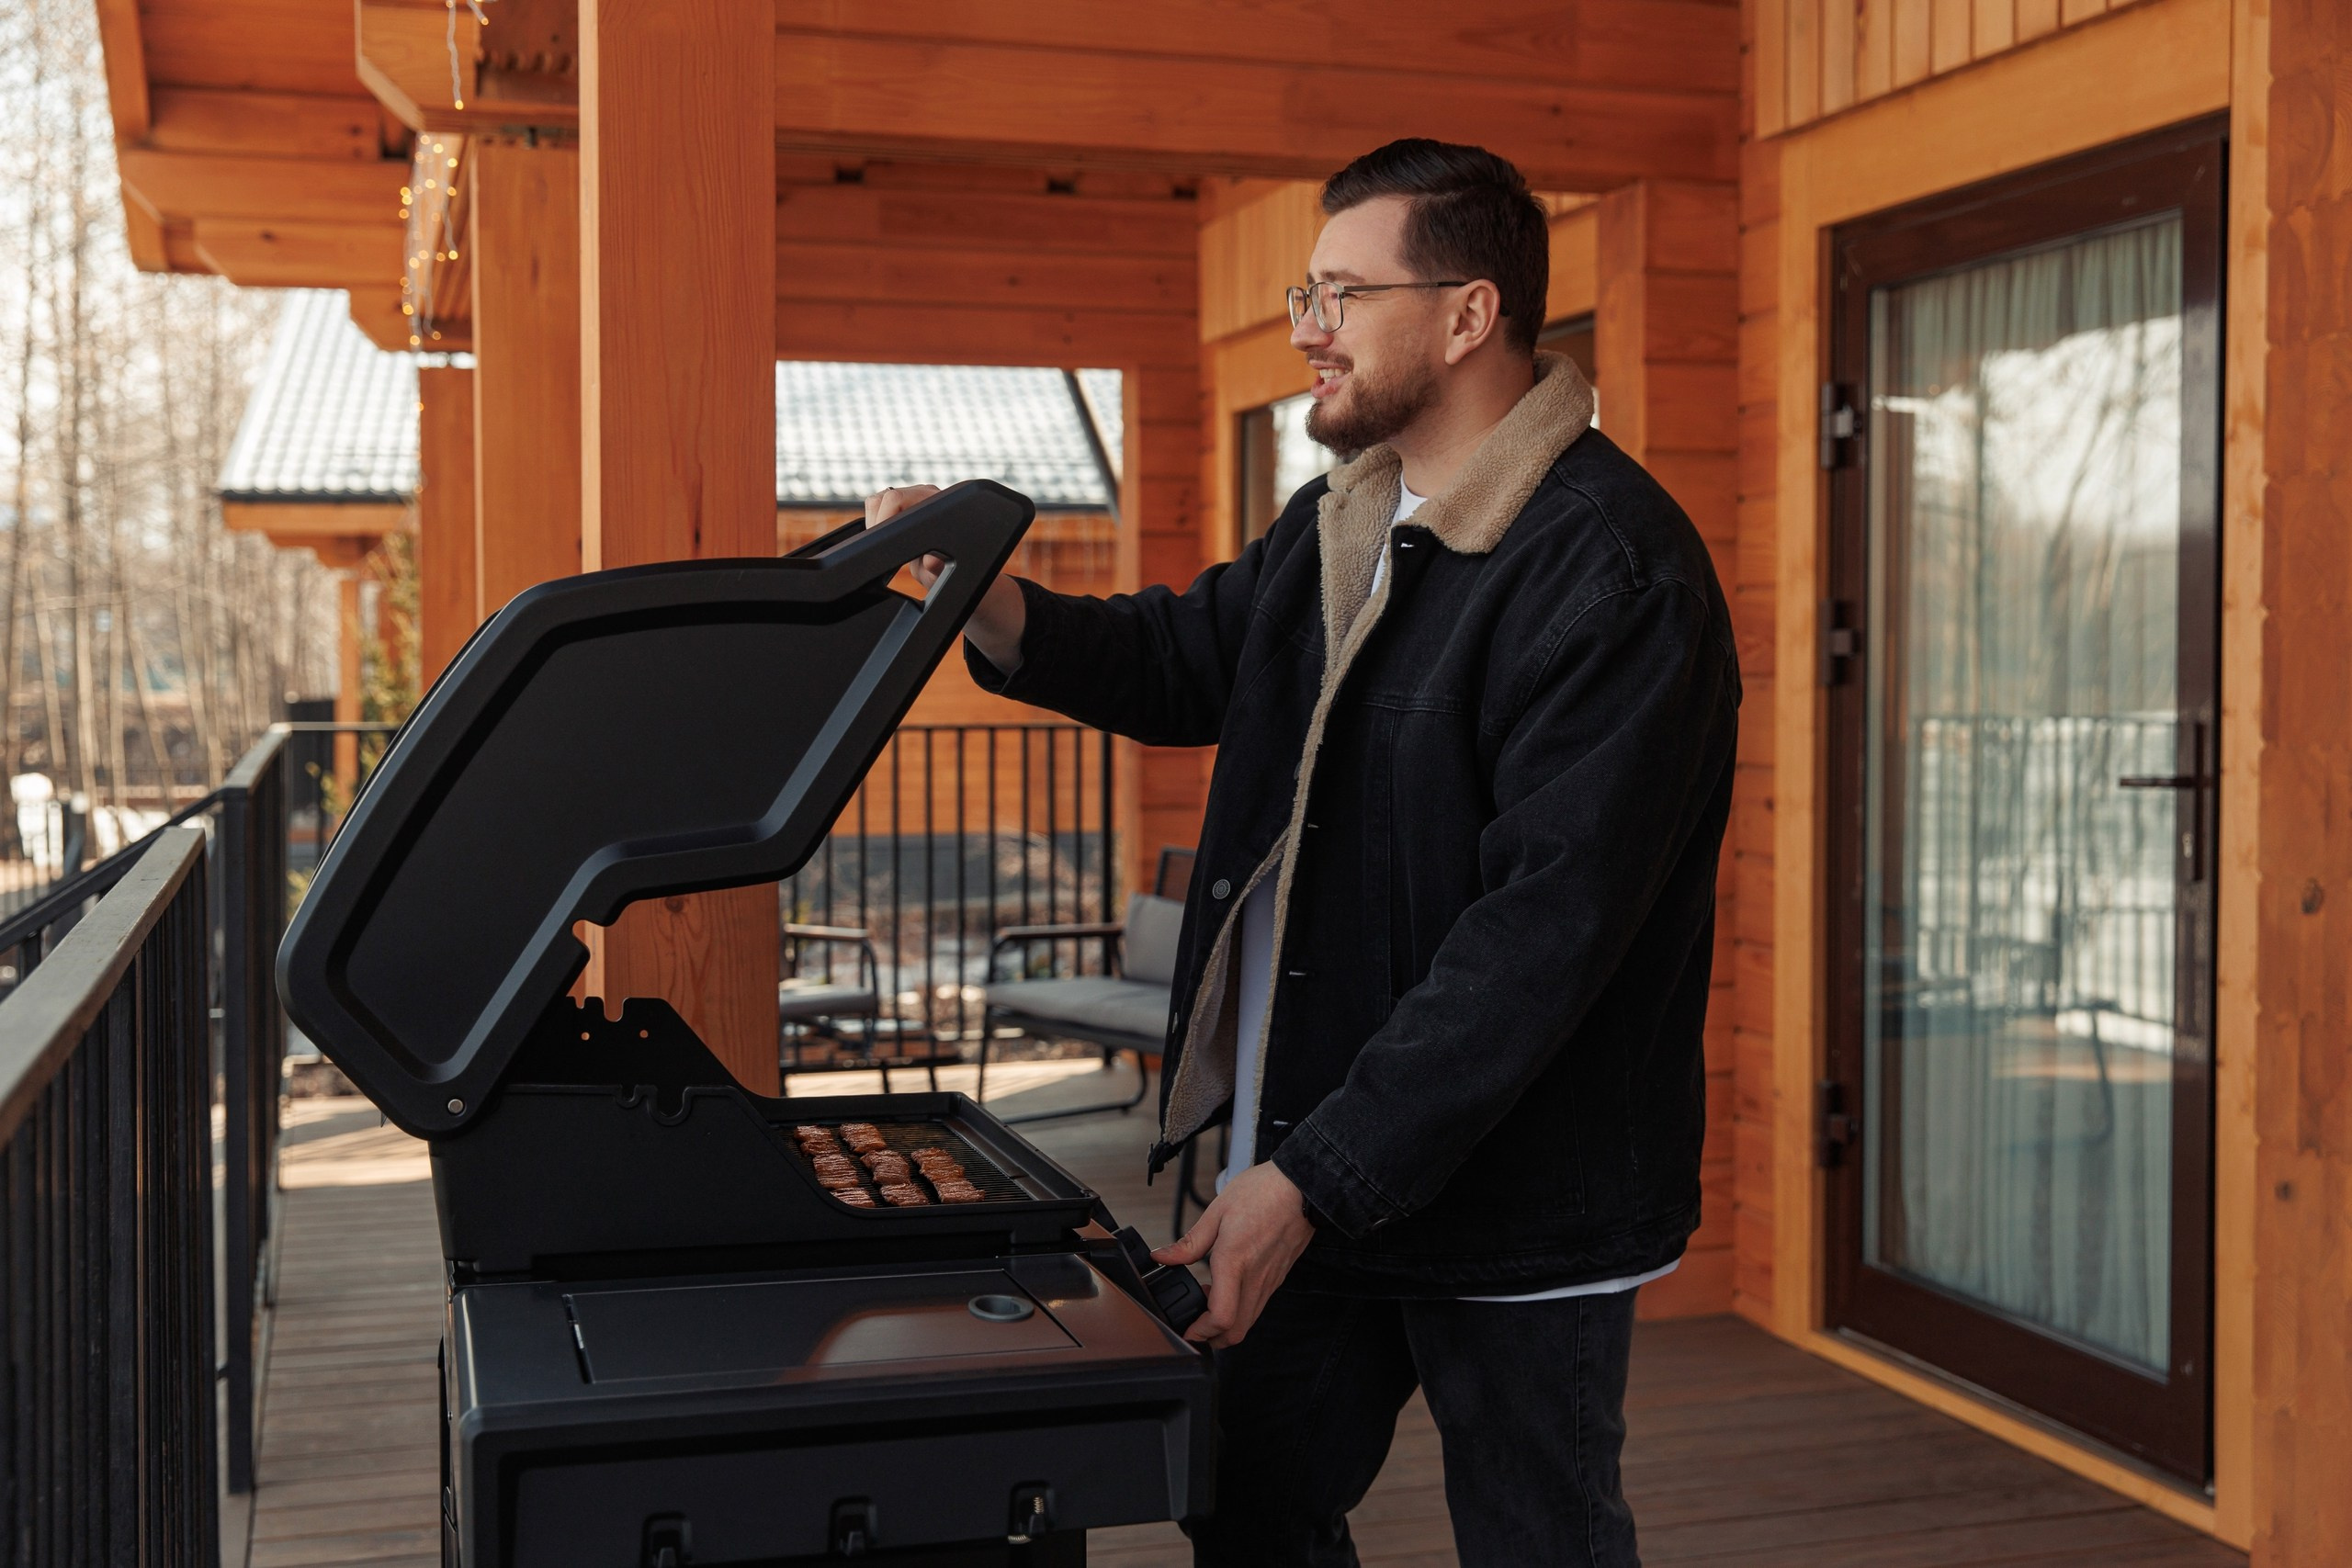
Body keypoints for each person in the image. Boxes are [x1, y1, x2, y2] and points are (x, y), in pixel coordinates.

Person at [871, 138, 1738, 1568]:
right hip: (1317, 1163)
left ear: (1468, 315)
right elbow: (1178, 659)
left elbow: (1539, 942)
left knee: (1541, 1537)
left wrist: (1308, 1177)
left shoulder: (1614, 575)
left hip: (1514, 1203)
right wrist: (992, 599)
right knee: (1247, 1493)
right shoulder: (1344, 518)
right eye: (1304, 289)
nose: (1306, 327)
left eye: (1344, 291)